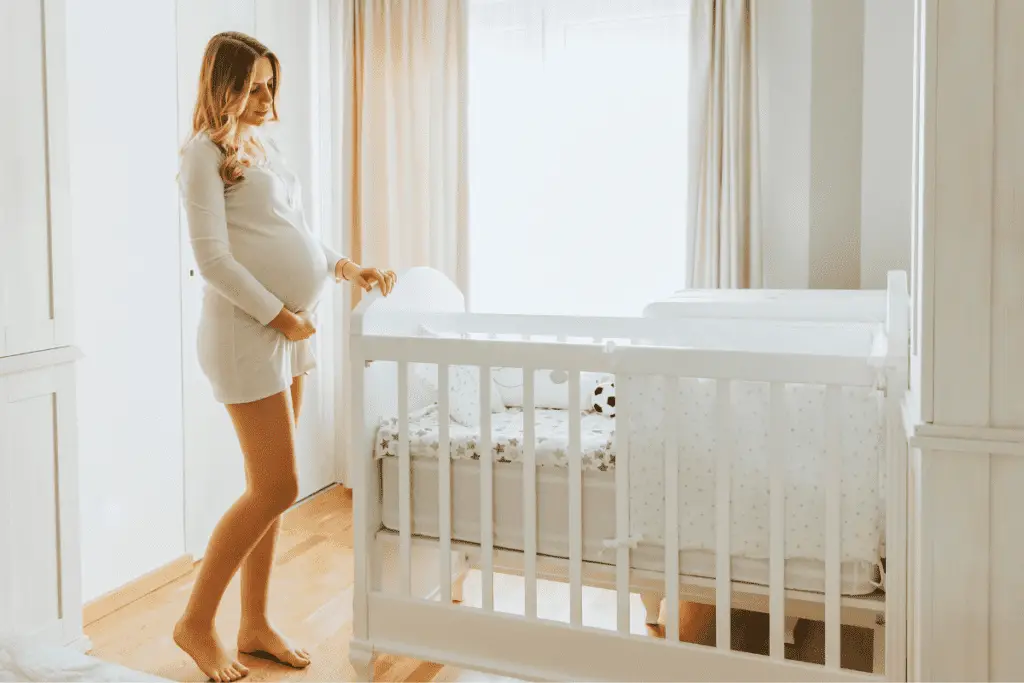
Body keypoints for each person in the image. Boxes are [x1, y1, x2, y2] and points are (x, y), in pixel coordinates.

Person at [173, 31, 395, 682]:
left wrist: (347, 267)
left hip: (285, 334)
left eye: (272, 84)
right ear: (224, 88)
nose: (267, 97)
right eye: (254, 86)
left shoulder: (263, 146)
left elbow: (295, 234)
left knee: (266, 491)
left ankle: (254, 622)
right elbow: (212, 259)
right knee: (278, 485)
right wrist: (282, 316)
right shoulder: (201, 155)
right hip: (248, 335)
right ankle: (195, 622)